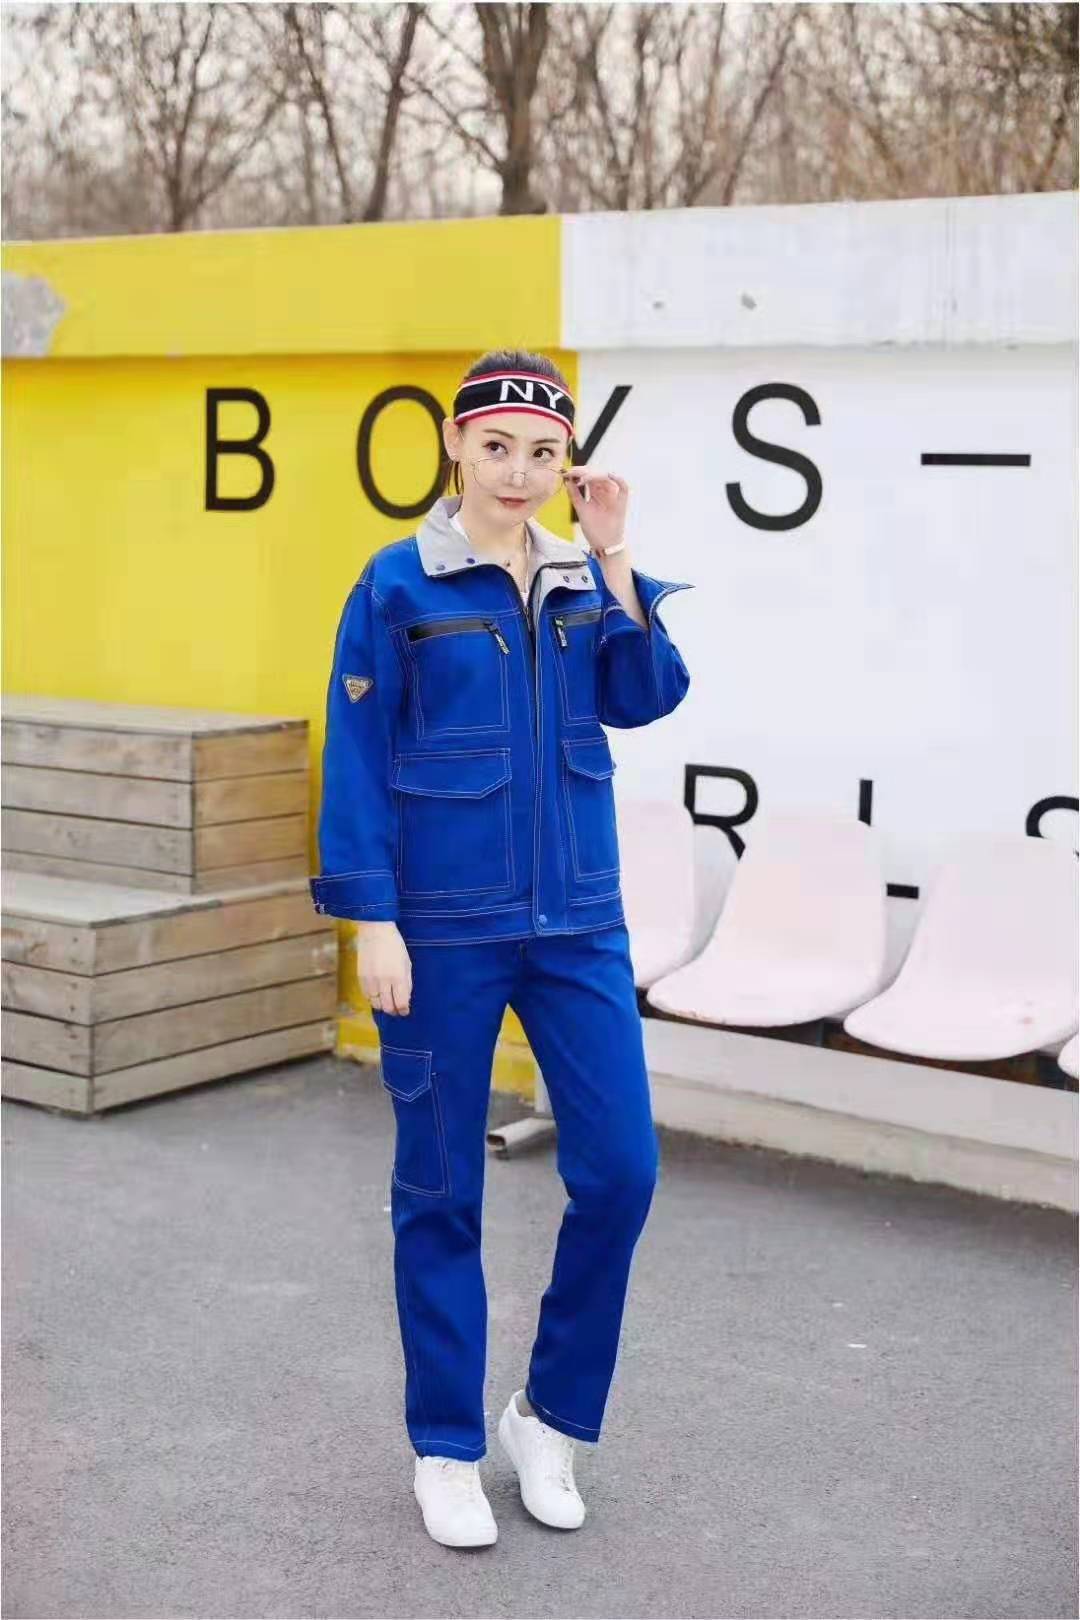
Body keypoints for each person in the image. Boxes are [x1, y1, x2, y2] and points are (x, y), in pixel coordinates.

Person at [310, 348, 694, 1548]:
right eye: (497, 448)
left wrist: (616, 554)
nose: (518, 472)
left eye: (542, 453)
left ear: (564, 462)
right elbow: (357, 757)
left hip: (579, 923)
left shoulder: (582, 576)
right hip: (441, 930)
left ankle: (549, 1417)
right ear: (455, 447)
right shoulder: (398, 582)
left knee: (621, 1173)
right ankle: (445, 1447)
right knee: (440, 1191)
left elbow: (648, 693)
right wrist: (374, 919)